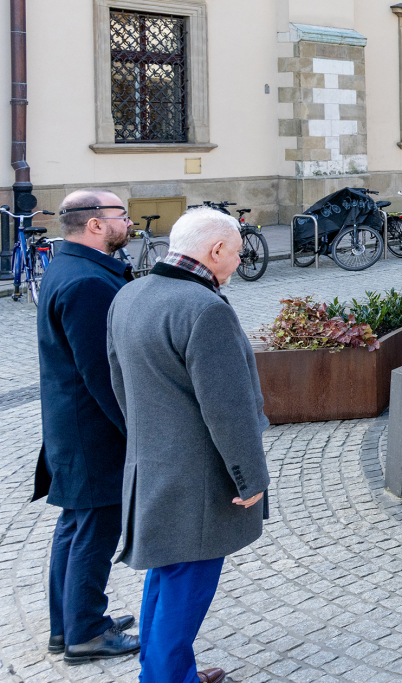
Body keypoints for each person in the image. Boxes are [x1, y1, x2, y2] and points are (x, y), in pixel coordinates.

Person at [107, 207, 270, 683]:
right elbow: (229, 408)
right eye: (237, 253)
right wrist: (250, 477)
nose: (239, 262)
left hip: (151, 464)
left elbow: (120, 386)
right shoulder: (205, 309)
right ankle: (165, 678)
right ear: (216, 250)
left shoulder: (130, 294)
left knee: (168, 575)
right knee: (187, 586)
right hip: (199, 477)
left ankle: (167, 670)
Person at [33, 189, 140, 664]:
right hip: (91, 432)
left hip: (70, 426)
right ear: (96, 224)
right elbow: (104, 372)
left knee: (75, 528)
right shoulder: (88, 283)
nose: (129, 221)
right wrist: (135, 431)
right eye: (121, 215)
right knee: (94, 530)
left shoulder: (68, 268)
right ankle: (86, 633)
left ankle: (69, 625)